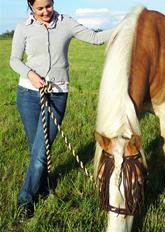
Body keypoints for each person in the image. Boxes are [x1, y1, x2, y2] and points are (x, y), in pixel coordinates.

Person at [10, 0, 113, 221]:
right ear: (30, 8)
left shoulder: (66, 23)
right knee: (36, 149)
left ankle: (25, 200)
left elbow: (95, 38)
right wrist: (30, 74)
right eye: (40, 8)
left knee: (40, 152)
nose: (45, 11)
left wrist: (126, 27)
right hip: (28, 95)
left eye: (48, 5)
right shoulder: (23, 27)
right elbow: (14, 60)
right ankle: (45, 188)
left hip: (56, 95)